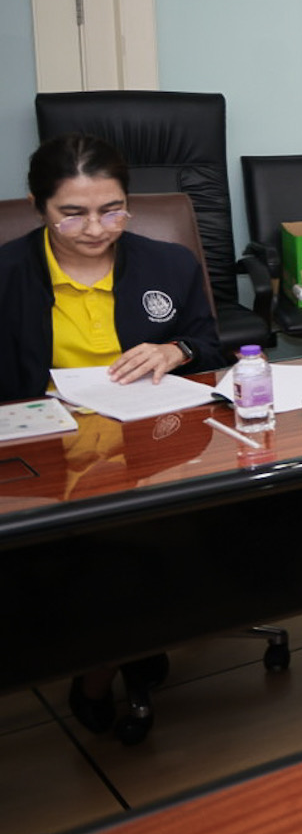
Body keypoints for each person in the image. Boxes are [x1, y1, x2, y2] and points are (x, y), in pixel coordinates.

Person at [0, 133, 227, 734]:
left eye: (112, 209)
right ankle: (107, 663)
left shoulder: (168, 264)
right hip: (48, 452)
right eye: (72, 213)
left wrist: (176, 350)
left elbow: (209, 345)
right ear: (38, 206)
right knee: (110, 541)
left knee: (176, 521)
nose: (96, 228)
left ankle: (115, 654)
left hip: (155, 438)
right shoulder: (7, 275)